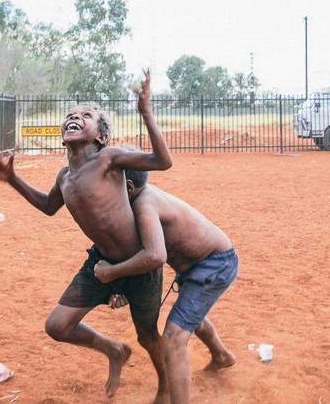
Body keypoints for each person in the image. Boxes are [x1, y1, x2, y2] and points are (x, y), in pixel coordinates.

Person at [0, 69, 172, 401]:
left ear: (100, 136)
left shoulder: (108, 159)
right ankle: (113, 350)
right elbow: (47, 206)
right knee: (57, 326)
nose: (74, 117)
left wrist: (145, 112)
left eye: (86, 115)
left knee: (147, 335)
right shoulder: (64, 176)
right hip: (99, 262)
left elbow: (162, 160)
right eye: (71, 115)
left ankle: (165, 382)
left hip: (139, 263)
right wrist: (12, 179)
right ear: (63, 132)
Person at [95, 166, 238, 403]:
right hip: (198, 265)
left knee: (173, 338)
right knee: (193, 315)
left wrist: (110, 273)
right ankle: (221, 355)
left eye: (110, 185)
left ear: (128, 187)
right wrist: (121, 287)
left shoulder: (144, 206)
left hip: (214, 264)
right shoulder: (138, 199)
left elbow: (154, 256)